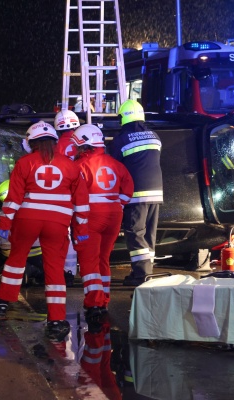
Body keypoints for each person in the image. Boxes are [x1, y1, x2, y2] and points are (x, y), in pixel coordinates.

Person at [0, 121, 89, 342]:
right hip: (58, 223)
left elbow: (13, 199)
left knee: (16, 260)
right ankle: (56, 321)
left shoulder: (24, 163)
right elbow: (81, 203)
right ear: (54, 141)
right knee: (54, 269)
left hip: (28, 219)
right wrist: (81, 228)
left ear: (30, 142)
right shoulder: (71, 166)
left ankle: (3, 301)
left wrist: (5, 224)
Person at [72, 124, 134, 319]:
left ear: (85, 144)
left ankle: (94, 303)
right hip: (114, 215)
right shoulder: (115, 164)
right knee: (103, 259)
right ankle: (104, 300)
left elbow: (72, 194)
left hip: (91, 216)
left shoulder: (80, 166)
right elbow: (128, 190)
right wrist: (117, 205)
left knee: (89, 261)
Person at [110, 99, 163, 287]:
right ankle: (145, 270)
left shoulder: (122, 139)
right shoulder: (155, 136)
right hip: (157, 192)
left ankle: (142, 274)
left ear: (123, 118)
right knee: (149, 233)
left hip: (137, 193)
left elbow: (113, 164)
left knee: (135, 231)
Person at [0, 180, 44, 286]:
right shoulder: (29, 208)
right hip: (34, 252)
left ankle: (12, 269)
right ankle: (30, 269)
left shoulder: (1, 212)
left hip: (8, 251)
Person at [55, 109, 82, 286]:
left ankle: (68, 272)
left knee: (66, 232)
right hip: (82, 192)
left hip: (63, 193)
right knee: (82, 231)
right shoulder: (83, 141)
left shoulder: (56, 145)